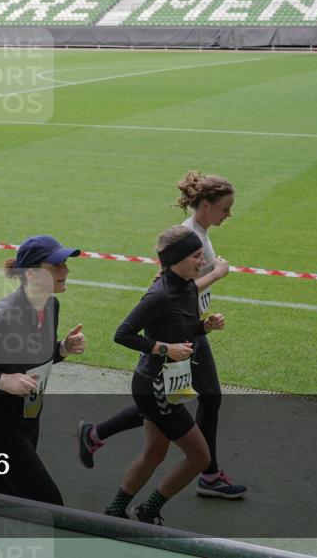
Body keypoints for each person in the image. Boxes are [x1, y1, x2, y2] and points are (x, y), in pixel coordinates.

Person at [78, 172, 245, 499]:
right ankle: (206, 473)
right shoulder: (187, 235)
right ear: (206, 205)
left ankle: (96, 433)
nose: (229, 215)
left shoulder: (200, 232)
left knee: (176, 401)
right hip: (178, 334)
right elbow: (167, 291)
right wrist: (216, 274)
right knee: (184, 400)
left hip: (189, 328)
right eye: (224, 209)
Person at [0, 235, 86, 506]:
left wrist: (63, 349)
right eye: (57, 265)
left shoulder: (50, 305)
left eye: (65, 264)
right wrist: (3, 380)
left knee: (2, 500)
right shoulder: (2, 315)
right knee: (50, 504)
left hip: (30, 419)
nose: (66, 271)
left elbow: (32, 360)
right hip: (0, 428)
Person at [101, 225, 224, 526]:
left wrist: (204, 327)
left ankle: (115, 512)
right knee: (201, 458)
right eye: (196, 256)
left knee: (154, 454)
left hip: (159, 385)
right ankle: (147, 511)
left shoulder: (186, 287)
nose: (201, 262)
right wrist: (163, 348)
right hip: (156, 388)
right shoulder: (160, 294)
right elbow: (122, 334)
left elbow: (179, 327)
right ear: (178, 259)